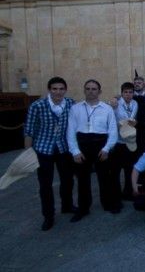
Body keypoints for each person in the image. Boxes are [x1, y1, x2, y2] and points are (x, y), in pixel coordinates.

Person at [24, 77, 76, 231]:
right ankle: (48, 215)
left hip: (63, 148)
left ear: (65, 90)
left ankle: (67, 205)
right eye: (55, 89)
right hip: (43, 149)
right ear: (49, 90)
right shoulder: (37, 106)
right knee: (45, 185)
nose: (58, 92)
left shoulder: (70, 104)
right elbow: (29, 130)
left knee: (67, 180)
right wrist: (28, 153)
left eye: (61, 89)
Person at [67, 79, 118, 222]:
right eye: (88, 89)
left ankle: (107, 204)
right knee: (82, 179)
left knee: (105, 178)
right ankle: (83, 208)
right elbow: (70, 132)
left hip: (101, 145)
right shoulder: (75, 108)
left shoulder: (107, 109)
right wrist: (75, 151)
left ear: (99, 92)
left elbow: (113, 131)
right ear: (84, 90)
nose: (91, 91)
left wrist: (107, 148)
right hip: (82, 145)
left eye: (94, 89)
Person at [110, 82, 139, 201]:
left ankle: (127, 192)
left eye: (130, 92)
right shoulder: (115, 104)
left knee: (129, 169)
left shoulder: (135, 104)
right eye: (125, 92)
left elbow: (133, 119)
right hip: (118, 142)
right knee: (115, 171)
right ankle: (115, 196)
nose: (128, 95)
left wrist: (134, 123)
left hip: (129, 141)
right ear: (121, 93)